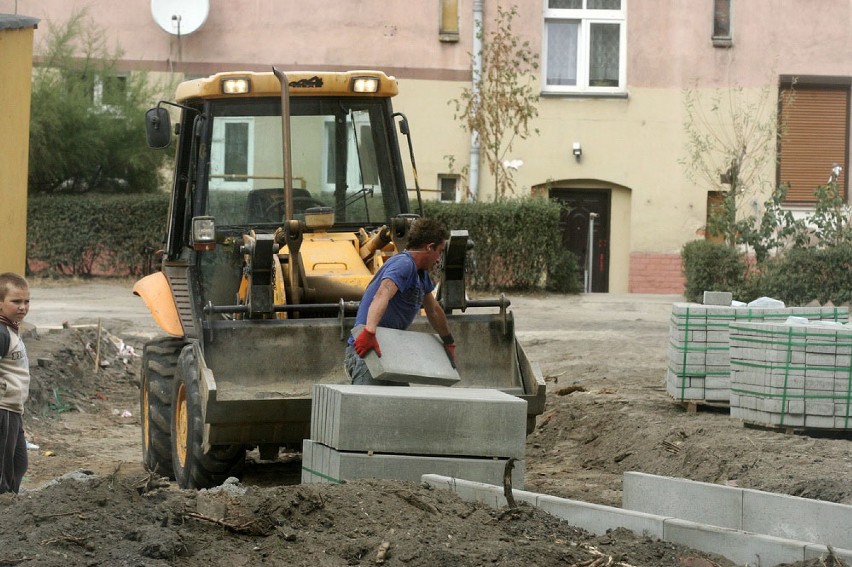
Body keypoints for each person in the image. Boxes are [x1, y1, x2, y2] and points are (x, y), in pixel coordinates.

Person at [345, 218, 455, 385]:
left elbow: (433, 310)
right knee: (367, 408)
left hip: (389, 350)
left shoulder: (421, 275)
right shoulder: (404, 264)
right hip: (367, 350)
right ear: (429, 247)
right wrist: (369, 332)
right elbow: (382, 294)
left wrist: (448, 341)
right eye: (439, 251)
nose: (439, 259)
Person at [0, 272, 31, 494]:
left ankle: (11, 511)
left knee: (19, 465)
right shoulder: (1, 333)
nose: (23, 307)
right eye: (16, 301)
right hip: (3, 409)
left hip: (14, 409)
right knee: (4, 471)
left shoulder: (11, 329)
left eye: (26, 301)